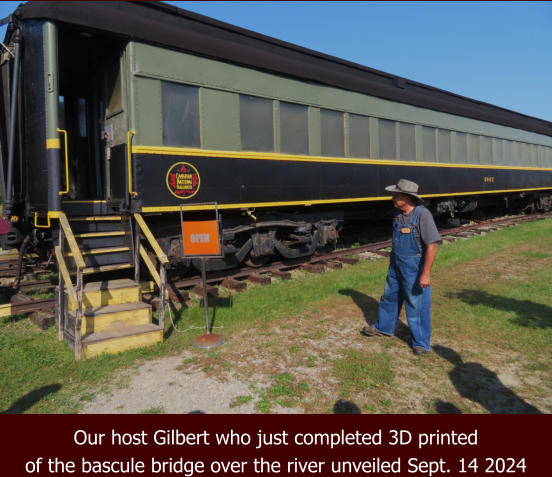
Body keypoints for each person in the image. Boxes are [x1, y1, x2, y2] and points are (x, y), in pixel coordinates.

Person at [362, 179, 440, 355]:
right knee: (389, 297)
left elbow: (432, 246)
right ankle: (384, 326)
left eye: (396, 196)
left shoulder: (422, 215)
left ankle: (420, 342)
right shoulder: (398, 215)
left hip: (414, 268)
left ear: (407, 198)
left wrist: (426, 273)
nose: (392, 198)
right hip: (396, 265)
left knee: (416, 304)